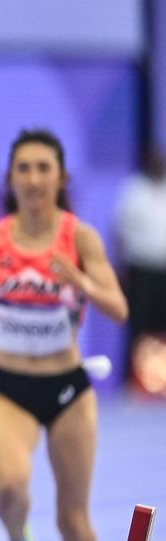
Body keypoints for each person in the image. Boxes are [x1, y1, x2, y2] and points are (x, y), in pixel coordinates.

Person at [0, 129, 128, 541]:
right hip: (9, 385)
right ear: (11, 178)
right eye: (23, 168)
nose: (33, 178)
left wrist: (79, 280)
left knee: (74, 521)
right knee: (9, 490)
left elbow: (119, 307)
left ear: (61, 177)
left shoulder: (80, 237)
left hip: (68, 387)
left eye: (43, 168)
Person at [115, 145, 166, 385]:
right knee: (139, 326)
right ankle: (132, 382)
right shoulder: (134, 189)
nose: (158, 162)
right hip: (141, 269)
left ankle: (161, 383)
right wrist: (120, 268)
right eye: (154, 159)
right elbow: (120, 232)